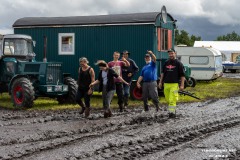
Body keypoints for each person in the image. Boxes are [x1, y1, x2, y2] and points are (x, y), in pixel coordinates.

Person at [159, 48, 185, 118]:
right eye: (169, 54)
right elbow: (162, 73)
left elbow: (182, 75)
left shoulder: (179, 63)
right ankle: (173, 111)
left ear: (175, 53)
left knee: (172, 99)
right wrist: (160, 82)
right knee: (168, 100)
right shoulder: (166, 62)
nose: (170, 55)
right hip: (166, 84)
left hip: (174, 84)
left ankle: (172, 114)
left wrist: (182, 85)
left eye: (172, 53)